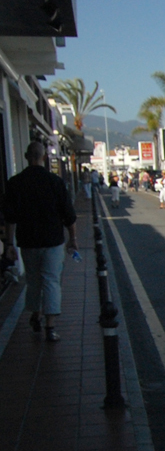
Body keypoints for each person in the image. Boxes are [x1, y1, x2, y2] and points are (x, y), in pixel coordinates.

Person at [1, 141, 78, 342]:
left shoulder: (15, 183)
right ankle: (50, 327)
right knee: (51, 281)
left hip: (28, 241)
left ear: (27, 157)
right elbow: (69, 215)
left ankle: (35, 315)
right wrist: (73, 239)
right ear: (43, 157)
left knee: (33, 281)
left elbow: (10, 218)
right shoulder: (55, 182)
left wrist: (9, 244)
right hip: (53, 240)